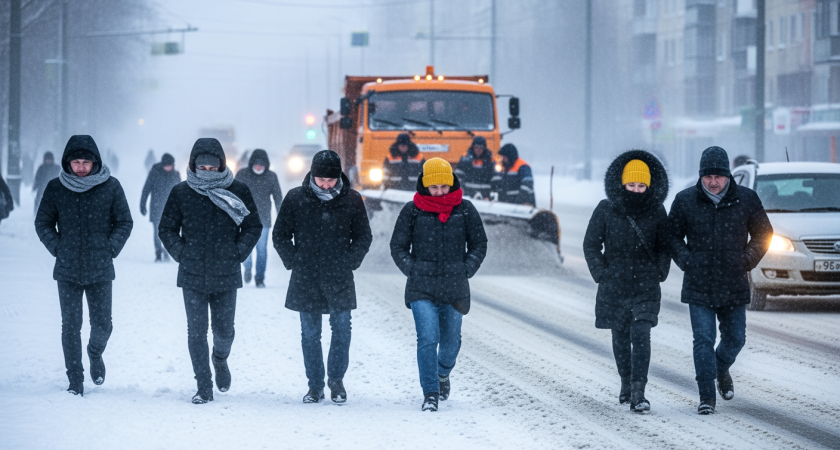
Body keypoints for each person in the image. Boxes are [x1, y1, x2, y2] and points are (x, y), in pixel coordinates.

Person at [668, 146, 773, 415]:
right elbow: (672, 237)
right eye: (708, 177)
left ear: (728, 176)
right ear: (701, 176)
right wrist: (687, 260)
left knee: (736, 339)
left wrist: (746, 259)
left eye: (718, 176)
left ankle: (721, 368)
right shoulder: (685, 200)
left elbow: (764, 234)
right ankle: (706, 397)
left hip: (733, 281)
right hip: (698, 282)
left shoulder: (746, 199)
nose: (713, 182)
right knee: (703, 339)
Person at [158, 138, 262, 404]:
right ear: (193, 165)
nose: (207, 171)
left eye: (212, 167)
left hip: (226, 273)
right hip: (192, 274)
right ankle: (203, 386)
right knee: (196, 332)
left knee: (224, 331)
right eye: (202, 167)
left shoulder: (237, 189)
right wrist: (181, 253)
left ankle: (220, 359)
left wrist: (238, 253)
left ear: (221, 165)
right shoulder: (181, 192)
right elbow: (166, 228)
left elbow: (253, 226)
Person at [34, 135, 133, 397]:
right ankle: (75, 379)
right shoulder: (56, 188)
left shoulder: (111, 187)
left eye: (85, 162)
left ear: (95, 163)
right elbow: (42, 222)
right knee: (70, 325)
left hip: (100, 268)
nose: (80, 167)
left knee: (103, 325)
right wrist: (58, 247)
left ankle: (95, 352)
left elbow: (124, 222)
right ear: (68, 162)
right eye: (75, 162)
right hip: (67, 269)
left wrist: (110, 248)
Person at [273, 150, 372, 404]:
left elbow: (363, 236)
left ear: (338, 176)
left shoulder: (352, 200)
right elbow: (280, 234)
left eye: (330, 180)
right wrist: (293, 260)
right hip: (305, 276)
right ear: (312, 176)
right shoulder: (296, 198)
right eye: (321, 180)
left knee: (342, 330)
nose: (326, 184)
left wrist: (350, 261)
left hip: (339, 276)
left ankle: (336, 381)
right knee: (310, 334)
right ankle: (315, 386)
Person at [390, 158, 488, 412]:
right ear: (424, 185)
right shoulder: (412, 211)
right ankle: (430, 393)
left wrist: (466, 268)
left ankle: (443, 373)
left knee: (451, 343)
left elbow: (479, 244)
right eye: (434, 187)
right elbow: (398, 246)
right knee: (427, 338)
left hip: (455, 287)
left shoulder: (465, 210)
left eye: (444, 186)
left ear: (452, 183)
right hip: (421, 287)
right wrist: (412, 269)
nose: (440, 191)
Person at [583, 150, 670, 413]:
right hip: (615, 285)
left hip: (645, 285)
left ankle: (638, 392)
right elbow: (590, 244)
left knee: (641, 335)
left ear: (648, 186)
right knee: (620, 337)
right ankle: (625, 382)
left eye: (641, 185)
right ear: (622, 184)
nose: (635, 190)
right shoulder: (606, 209)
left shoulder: (656, 211)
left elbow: (665, 246)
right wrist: (601, 273)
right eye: (631, 184)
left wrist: (660, 271)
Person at [235, 149, 283, 287]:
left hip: (264, 220)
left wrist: (282, 215)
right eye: (256, 164)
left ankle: (260, 278)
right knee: (245, 247)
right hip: (244, 219)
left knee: (261, 250)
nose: (258, 167)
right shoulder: (242, 174)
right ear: (252, 163)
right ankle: (248, 267)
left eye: (261, 164)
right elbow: (233, 193)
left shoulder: (271, 177)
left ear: (266, 164)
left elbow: (278, 197)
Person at [140, 153, 181, 262]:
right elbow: (146, 189)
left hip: (171, 210)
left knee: (169, 232)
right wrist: (142, 204)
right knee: (158, 232)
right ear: (162, 165)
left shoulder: (176, 175)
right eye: (166, 166)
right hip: (156, 207)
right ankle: (158, 254)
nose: (168, 168)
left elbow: (181, 193)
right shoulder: (154, 173)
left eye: (170, 165)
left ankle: (167, 251)